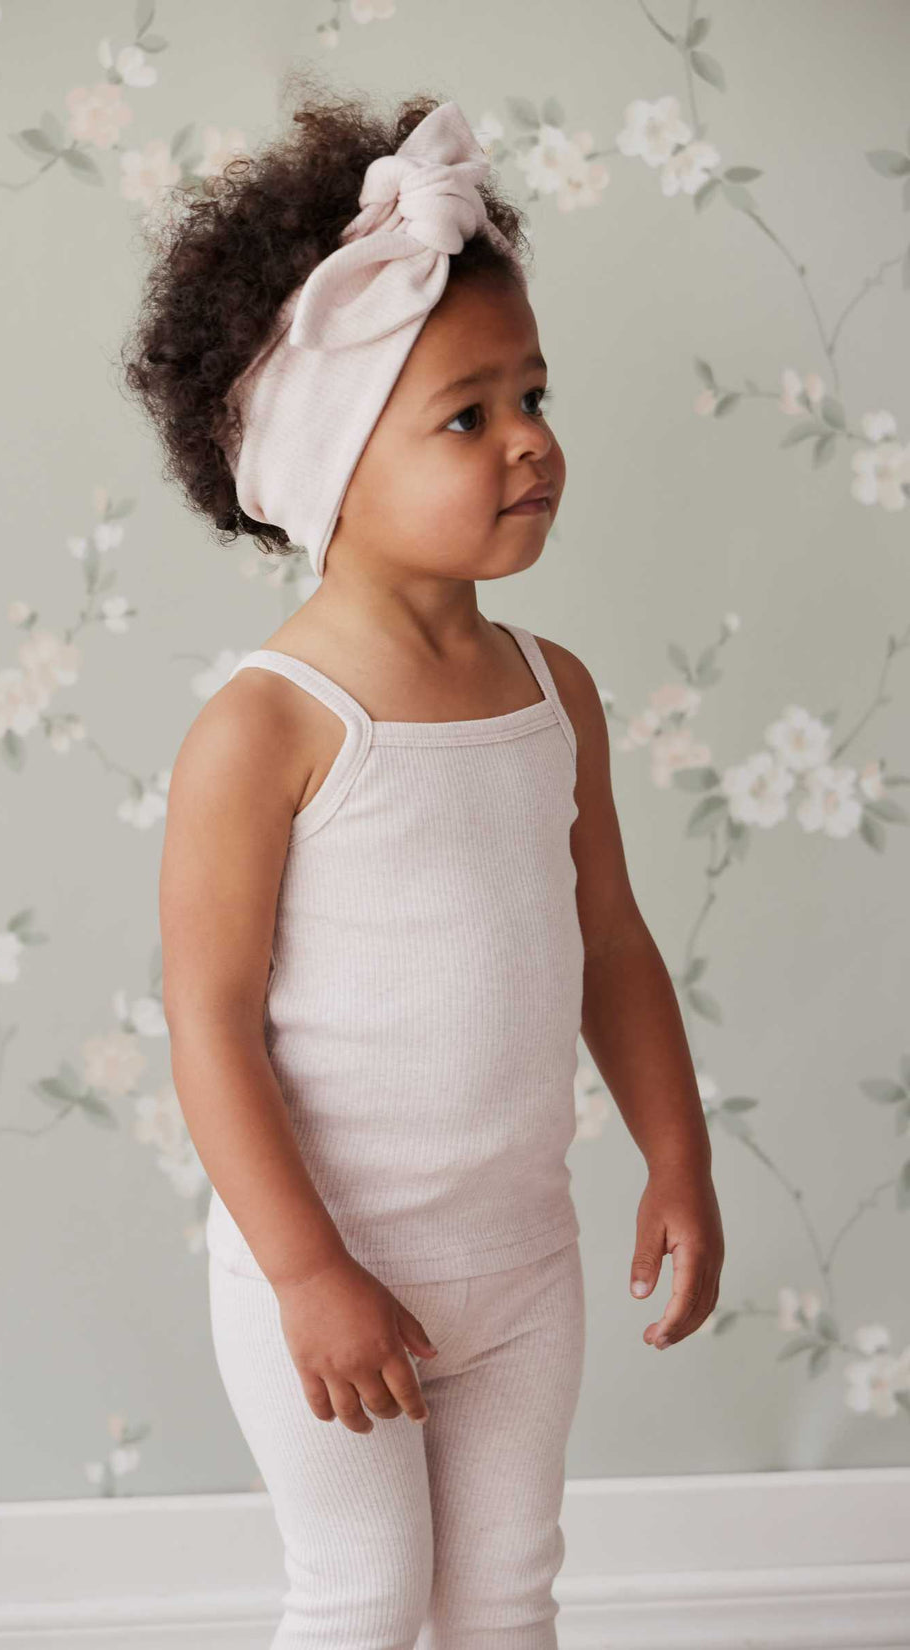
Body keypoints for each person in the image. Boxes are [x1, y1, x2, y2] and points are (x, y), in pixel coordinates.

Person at [126, 79, 725, 1650]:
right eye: (469, 416)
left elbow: (610, 940)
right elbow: (209, 1025)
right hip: (326, 1263)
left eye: (534, 393)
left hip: (522, 1264)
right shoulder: (268, 728)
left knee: (506, 1593)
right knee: (362, 1595)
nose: (532, 440)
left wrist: (677, 1154)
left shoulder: (553, 690)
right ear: (330, 463)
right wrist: (308, 1270)